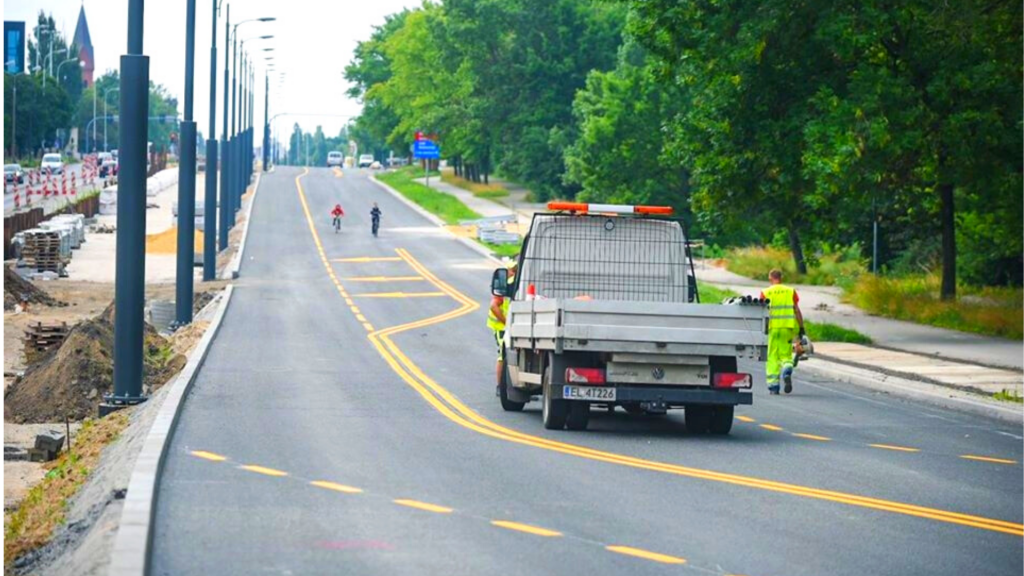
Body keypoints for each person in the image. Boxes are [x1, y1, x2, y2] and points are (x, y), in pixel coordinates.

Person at [760, 269, 805, 395]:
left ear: (770, 278)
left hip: (772, 329)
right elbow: (796, 310)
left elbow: (761, 312)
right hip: (787, 328)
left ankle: (774, 386)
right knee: (785, 355)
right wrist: (801, 327)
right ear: (781, 277)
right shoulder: (790, 291)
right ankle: (787, 368)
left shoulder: (765, 292)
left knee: (772, 357)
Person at [487, 259, 518, 392]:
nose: (513, 272)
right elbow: (494, 306)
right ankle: (500, 387)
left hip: (508, 326)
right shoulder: (505, 285)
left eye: (515, 270)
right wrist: (505, 322)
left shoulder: (517, 283)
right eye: (512, 270)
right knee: (502, 355)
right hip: (501, 328)